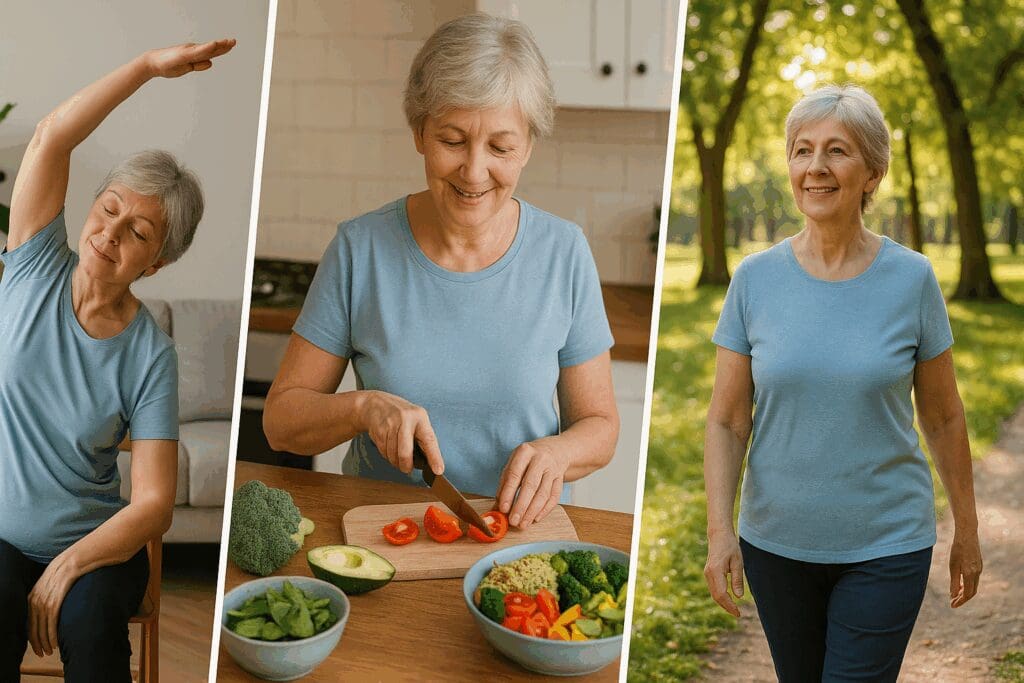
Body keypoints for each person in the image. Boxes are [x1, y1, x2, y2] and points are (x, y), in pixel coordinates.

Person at [263, 14, 619, 529]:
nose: (474, 172)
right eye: (453, 140)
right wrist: (363, 408)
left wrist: (559, 454)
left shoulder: (564, 252)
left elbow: (601, 426)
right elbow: (280, 422)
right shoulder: (360, 249)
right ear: (419, 133)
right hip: (384, 536)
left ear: (528, 147)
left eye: (501, 147)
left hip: (519, 537)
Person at [702, 84, 982, 681]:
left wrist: (968, 529)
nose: (815, 168)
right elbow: (727, 419)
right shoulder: (754, 280)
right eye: (802, 151)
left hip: (888, 543)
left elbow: (944, 416)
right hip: (775, 544)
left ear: (872, 171)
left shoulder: (913, 279)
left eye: (837, 151)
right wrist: (719, 532)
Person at [0, 39, 234, 681]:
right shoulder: (32, 265)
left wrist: (69, 565)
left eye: (139, 232)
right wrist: (144, 69)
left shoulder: (151, 355)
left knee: (94, 632)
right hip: (1, 542)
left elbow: (154, 504)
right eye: (110, 209)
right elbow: (53, 136)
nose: (111, 232)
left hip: (97, 550)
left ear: (157, 262)